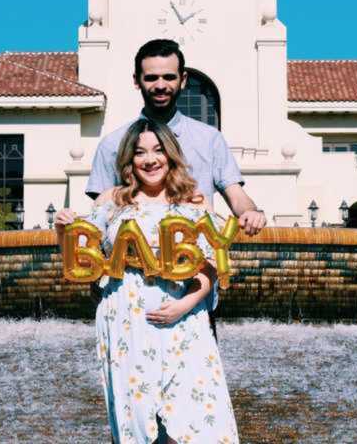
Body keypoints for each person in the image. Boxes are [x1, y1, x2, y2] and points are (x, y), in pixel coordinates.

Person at [56, 119, 239, 444]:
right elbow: (82, 260)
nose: (150, 159)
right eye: (140, 152)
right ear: (129, 160)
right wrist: (62, 231)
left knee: (196, 419)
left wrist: (184, 305)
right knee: (136, 421)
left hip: (185, 320)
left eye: (158, 150)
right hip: (127, 321)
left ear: (171, 155)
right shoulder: (111, 202)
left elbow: (211, 265)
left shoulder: (193, 201)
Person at [86, 39, 265, 237]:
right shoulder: (112, 144)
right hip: (131, 262)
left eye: (169, 77)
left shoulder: (210, 139)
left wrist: (251, 213)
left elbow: (236, 196)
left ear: (183, 79)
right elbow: (100, 213)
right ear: (137, 80)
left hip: (198, 261)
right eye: (151, 78)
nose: (160, 85)